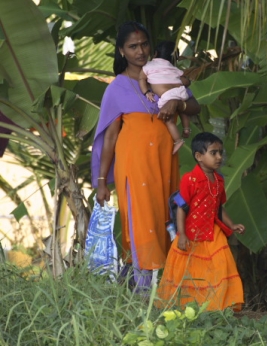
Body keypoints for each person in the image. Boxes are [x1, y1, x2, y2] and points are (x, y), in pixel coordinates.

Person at [91, 21, 201, 292]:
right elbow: (111, 138)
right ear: (121, 51)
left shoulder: (165, 74)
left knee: (165, 220)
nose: (140, 51)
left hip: (165, 165)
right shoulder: (117, 87)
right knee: (141, 223)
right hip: (134, 166)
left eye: (144, 44)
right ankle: (142, 296)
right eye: (132, 46)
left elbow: (195, 106)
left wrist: (179, 103)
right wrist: (102, 180)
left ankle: (150, 288)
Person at [157, 132, 245, 311]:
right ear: (198, 156)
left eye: (220, 152)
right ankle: (187, 307)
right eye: (213, 153)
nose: (219, 157)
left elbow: (219, 207)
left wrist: (232, 224)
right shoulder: (190, 179)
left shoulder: (219, 180)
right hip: (191, 233)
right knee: (189, 271)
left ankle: (219, 306)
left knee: (221, 265)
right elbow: (181, 207)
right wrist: (181, 235)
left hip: (214, 232)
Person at [139, 41, 191, 154]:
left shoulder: (148, 65)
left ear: (155, 54)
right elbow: (185, 79)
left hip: (167, 95)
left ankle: (178, 140)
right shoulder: (172, 67)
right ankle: (186, 128)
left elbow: (141, 79)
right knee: (182, 109)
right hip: (181, 90)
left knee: (169, 120)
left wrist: (146, 92)